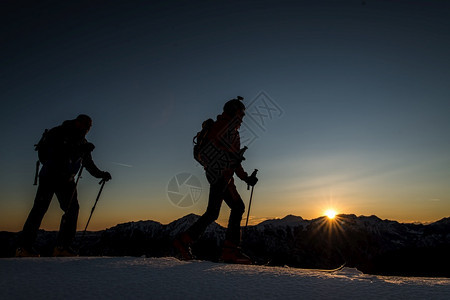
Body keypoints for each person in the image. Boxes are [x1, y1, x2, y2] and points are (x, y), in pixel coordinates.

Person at [174, 97, 258, 264]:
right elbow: (222, 155)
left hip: (222, 176)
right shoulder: (223, 127)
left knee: (215, 212)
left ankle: (185, 241)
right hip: (220, 175)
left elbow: (234, 160)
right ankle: (229, 251)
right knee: (234, 207)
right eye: (241, 114)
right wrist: (240, 171)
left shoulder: (232, 131)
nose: (242, 118)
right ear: (233, 112)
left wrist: (246, 177)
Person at [16, 114, 112, 257]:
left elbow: (88, 164)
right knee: (41, 210)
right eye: (86, 124)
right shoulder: (60, 132)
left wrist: (101, 174)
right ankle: (27, 247)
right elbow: (58, 153)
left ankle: (59, 247)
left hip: (65, 180)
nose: (87, 128)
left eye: (89, 126)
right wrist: (81, 149)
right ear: (78, 122)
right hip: (51, 176)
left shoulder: (82, 142)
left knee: (66, 210)